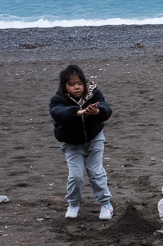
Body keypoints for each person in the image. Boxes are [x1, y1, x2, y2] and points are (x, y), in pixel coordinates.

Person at [49, 64, 114, 220]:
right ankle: (73, 204)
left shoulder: (93, 94)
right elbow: (58, 113)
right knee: (76, 176)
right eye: (71, 85)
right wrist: (78, 113)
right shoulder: (58, 99)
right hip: (71, 144)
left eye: (79, 84)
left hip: (94, 139)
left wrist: (97, 112)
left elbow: (106, 108)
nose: (76, 87)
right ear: (64, 86)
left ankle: (106, 204)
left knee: (96, 172)